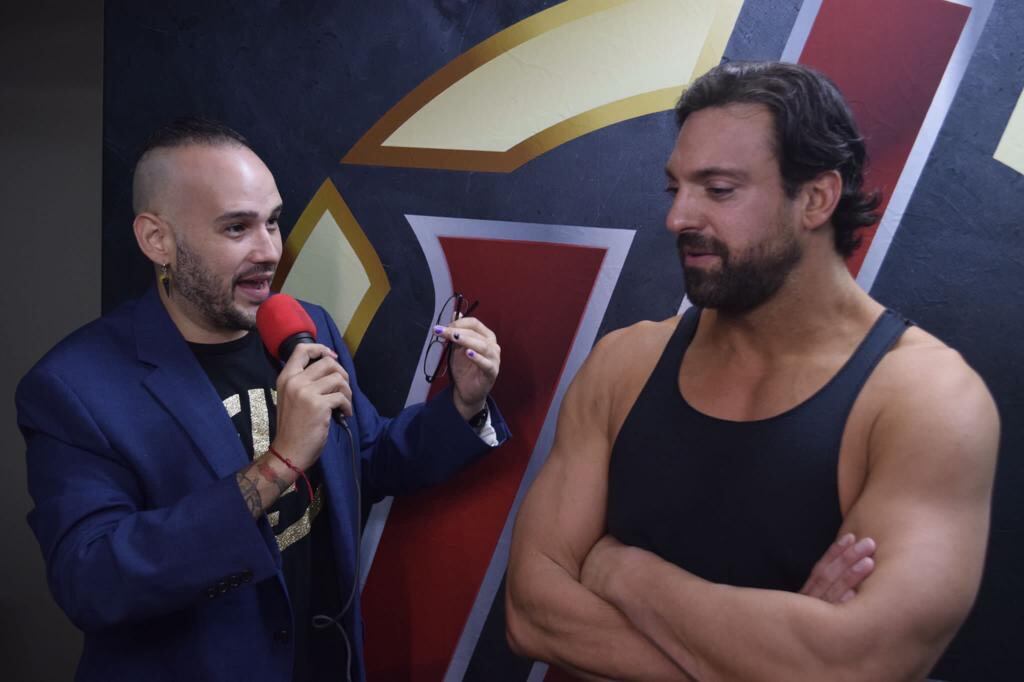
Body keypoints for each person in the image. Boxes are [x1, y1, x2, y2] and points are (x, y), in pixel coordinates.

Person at [506, 61, 998, 681]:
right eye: (675, 188)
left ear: (815, 199)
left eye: (718, 190)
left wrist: (624, 573)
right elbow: (533, 614)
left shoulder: (925, 399)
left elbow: (860, 666)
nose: (678, 218)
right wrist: (773, 659)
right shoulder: (625, 364)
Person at [17, 118, 509, 682]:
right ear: (158, 240)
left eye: (273, 221)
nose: (271, 250)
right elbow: (94, 582)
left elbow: (365, 457)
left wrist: (464, 404)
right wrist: (279, 464)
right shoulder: (75, 386)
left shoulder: (307, 327)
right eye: (236, 228)